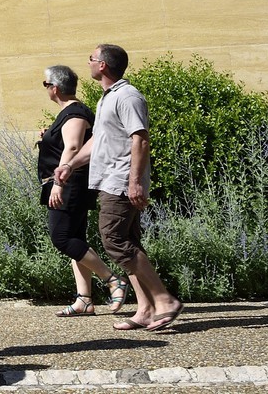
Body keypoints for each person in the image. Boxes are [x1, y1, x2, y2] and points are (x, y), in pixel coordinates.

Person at [56, 44, 183, 332]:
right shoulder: (107, 98)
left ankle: (164, 300)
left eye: (91, 58)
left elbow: (140, 139)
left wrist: (135, 182)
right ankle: (146, 309)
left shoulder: (127, 96)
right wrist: (70, 165)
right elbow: (97, 141)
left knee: (113, 238)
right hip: (110, 180)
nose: (88, 62)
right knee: (129, 244)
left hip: (121, 182)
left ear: (102, 65)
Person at [38, 64, 128, 316]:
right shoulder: (69, 113)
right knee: (76, 240)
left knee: (63, 238)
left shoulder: (75, 113)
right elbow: (65, 143)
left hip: (69, 184)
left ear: (54, 88)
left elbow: (74, 148)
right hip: (66, 183)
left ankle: (112, 279)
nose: (46, 89)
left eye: (45, 85)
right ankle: (84, 299)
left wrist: (58, 184)